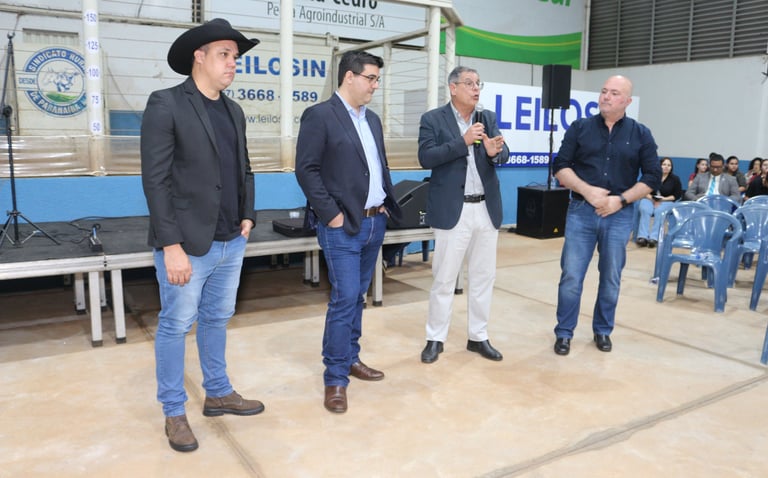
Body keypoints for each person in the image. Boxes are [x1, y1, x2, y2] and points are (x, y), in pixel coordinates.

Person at [140, 19, 265, 453]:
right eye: (224, 55)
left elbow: (244, 168)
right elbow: (156, 181)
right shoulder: (166, 104)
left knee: (216, 319)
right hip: (187, 244)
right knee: (175, 325)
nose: (233, 63)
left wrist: (248, 215)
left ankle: (218, 392)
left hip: (232, 239)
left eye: (236, 57)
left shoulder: (234, 111)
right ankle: (174, 411)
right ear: (199, 56)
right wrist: (170, 245)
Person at [295, 50, 402, 414]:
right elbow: (306, 170)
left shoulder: (372, 120)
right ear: (349, 77)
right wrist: (332, 215)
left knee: (357, 297)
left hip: (374, 222)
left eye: (377, 79)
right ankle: (335, 377)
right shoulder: (320, 115)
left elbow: (378, 165)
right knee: (344, 299)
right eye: (371, 78)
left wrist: (383, 201)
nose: (375, 85)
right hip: (342, 227)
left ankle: (351, 358)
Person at [552, 75, 660, 356]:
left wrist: (620, 200)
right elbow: (560, 166)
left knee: (611, 277)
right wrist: (587, 191)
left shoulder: (641, 134)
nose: (606, 97)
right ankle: (564, 333)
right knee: (572, 276)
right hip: (581, 211)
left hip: (619, 215)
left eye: (614, 93)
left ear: (627, 101)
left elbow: (652, 176)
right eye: (603, 91)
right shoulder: (580, 127)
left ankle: (602, 330)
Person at [417, 66, 509, 364]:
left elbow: (503, 152)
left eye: (478, 83)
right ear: (453, 88)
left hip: (485, 208)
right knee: (444, 279)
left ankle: (478, 337)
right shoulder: (433, 119)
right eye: (469, 83)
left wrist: (495, 152)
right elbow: (426, 157)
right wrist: (464, 141)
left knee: (483, 277)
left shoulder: (487, 118)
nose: (476, 88)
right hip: (452, 210)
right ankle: (435, 338)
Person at [635, 157, 682, 247]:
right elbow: (643, 190)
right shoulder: (652, 177)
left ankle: (654, 238)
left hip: (666, 201)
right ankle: (642, 237)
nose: (666, 167)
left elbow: (676, 195)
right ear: (659, 166)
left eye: (669, 165)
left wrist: (662, 199)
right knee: (645, 209)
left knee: (659, 211)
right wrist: (652, 199)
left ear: (671, 168)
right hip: (649, 198)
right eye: (664, 164)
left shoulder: (675, 179)